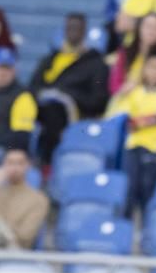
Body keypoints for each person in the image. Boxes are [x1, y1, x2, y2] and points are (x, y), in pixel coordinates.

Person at [107, 54, 156, 216]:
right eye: (150, 67)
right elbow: (121, 116)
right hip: (134, 145)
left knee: (148, 190)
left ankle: (146, 230)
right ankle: (125, 229)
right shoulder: (135, 93)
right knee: (129, 189)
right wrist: (135, 122)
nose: (154, 72)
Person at [30, 13, 111, 163]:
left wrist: (67, 96)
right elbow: (33, 87)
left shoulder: (96, 64)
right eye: (69, 28)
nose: (72, 32)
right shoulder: (49, 59)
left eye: (77, 28)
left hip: (75, 115)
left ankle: (46, 164)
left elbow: (99, 101)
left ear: (84, 31)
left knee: (54, 111)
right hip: (41, 111)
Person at [109, 14, 156, 97]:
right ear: (139, 28)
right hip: (127, 100)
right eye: (148, 26)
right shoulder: (125, 53)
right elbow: (114, 87)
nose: (152, 31)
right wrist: (124, 90)